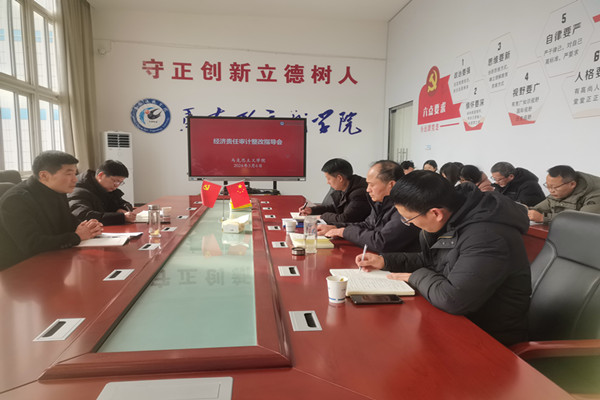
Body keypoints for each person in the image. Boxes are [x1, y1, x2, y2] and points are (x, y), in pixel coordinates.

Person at [356, 170, 531, 346]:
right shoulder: (456, 216)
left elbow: (453, 299)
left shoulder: (486, 237)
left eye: (409, 219)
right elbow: (434, 260)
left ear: (436, 213)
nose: (410, 224)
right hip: (459, 322)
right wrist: (385, 261)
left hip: (489, 338)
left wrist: (414, 276)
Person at [0, 151, 103, 270]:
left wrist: (88, 227)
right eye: (69, 174)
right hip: (19, 269)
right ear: (44, 176)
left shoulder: (57, 191)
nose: (75, 179)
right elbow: (32, 244)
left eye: (75, 173)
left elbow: (67, 222)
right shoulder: (16, 199)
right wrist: (77, 236)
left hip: (54, 260)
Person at [317, 160, 420, 253]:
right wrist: (337, 228)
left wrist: (344, 232)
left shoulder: (406, 208)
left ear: (391, 185)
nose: (367, 189)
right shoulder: (380, 202)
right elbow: (368, 225)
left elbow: (382, 242)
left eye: (372, 185)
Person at [298, 158, 370, 224]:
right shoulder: (345, 187)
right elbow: (335, 208)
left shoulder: (359, 194)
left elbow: (345, 219)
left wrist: (322, 216)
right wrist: (312, 210)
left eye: (329, 179)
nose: (327, 182)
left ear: (339, 178)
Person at [68, 160, 135, 225]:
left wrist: (120, 209)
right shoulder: (78, 191)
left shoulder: (105, 188)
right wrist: (121, 217)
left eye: (120, 182)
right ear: (101, 175)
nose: (116, 185)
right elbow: (84, 216)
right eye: (115, 181)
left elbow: (124, 203)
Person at [528, 165, 600, 223]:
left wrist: (543, 218)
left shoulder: (595, 194)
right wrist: (526, 210)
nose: (551, 191)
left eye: (555, 187)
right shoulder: (557, 193)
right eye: (548, 186)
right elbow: (537, 210)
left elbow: (583, 219)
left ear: (572, 184)